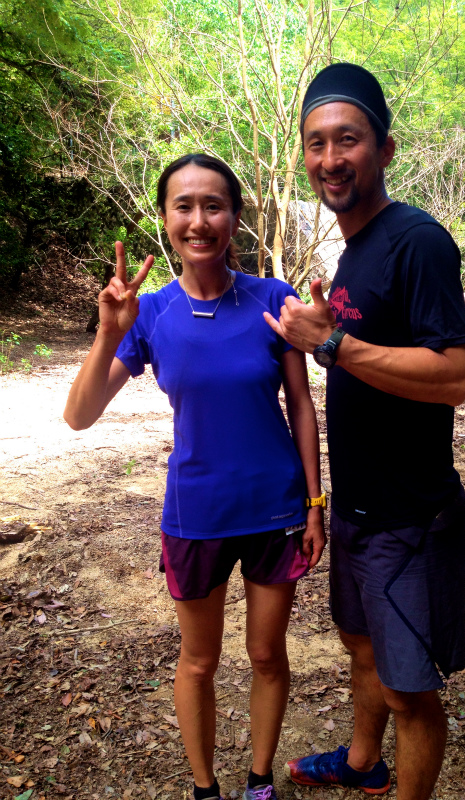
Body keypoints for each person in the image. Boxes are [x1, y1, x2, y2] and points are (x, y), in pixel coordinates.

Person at [64, 153, 326, 800]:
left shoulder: (274, 300)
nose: (200, 220)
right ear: (165, 218)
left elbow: (300, 404)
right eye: (185, 206)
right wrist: (107, 334)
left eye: (214, 205)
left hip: (276, 509)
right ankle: (206, 788)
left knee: (267, 655)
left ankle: (259, 780)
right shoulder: (148, 314)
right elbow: (79, 417)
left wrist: (316, 501)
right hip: (196, 515)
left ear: (235, 218)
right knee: (199, 661)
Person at [264, 64, 465, 800]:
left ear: (384, 149)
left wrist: (334, 347)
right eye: (316, 143)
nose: (330, 158)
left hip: (410, 518)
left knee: (411, 691)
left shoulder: (418, 241)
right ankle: (363, 765)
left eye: (347, 139)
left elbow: (453, 377)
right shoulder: (354, 253)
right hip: (356, 511)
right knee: (361, 648)